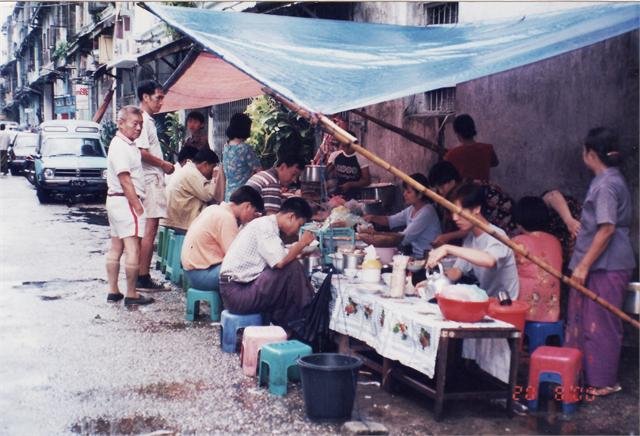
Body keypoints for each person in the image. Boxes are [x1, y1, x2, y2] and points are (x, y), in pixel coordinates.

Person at [564, 127, 635, 397]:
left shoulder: (606, 184)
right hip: (597, 263)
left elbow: (607, 228)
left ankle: (603, 381)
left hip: (606, 265)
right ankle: (581, 374)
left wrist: (582, 266)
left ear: (591, 154)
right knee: (584, 320)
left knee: (601, 323)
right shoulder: (608, 179)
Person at [218, 197, 316, 329]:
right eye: (299, 225)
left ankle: (295, 322)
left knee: (290, 271)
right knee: (291, 267)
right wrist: (302, 243)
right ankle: (308, 316)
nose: (298, 231)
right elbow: (280, 262)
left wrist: (297, 252)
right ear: (291, 217)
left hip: (236, 290)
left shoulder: (267, 225)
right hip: (237, 295)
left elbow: (280, 255)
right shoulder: (265, 227)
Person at [427, 182, 519, 300]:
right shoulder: (471, 238)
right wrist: (433, 283)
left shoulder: (497, 236)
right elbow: (457, 271)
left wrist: (447, 248)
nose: (455, 218)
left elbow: (489, 260)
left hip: (506, 307)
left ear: (476, 209)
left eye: (460, 212)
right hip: (486, 302)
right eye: (452, 212)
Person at [104, 106, 154, 306]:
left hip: (116, 201)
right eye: (135, 123)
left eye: (140, 124)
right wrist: (138, 207)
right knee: (133, 248)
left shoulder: (125, 144)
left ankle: (113, 291)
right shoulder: (121, 146)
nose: (139, 128)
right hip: (126, 202)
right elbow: (125, 179)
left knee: (116, 246)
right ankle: (131, 294)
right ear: (121, 123)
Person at [181, 186, 264, 291]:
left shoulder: (215, 208)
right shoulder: (226, 218)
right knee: (245, 274)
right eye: (254, 212)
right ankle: (232, 306)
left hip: (192, 272)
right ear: (247, 206)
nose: (253, 217)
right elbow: (235, 258)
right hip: (203, 276)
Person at [135, 80, 175, 291]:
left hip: (151, 179)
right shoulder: (142, 120)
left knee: (149, 229)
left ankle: (142, 275)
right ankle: (142, 276)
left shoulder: (146, 121)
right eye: (158, 97)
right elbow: (141, 152)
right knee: (149, 230)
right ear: (145, 97)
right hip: (150, 180)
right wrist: (164, 164)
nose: (161, 102)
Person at [427, 161, 517, 247]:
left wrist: (448, 237)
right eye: (437, 188)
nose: (440, 191)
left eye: (442, 186)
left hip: (509, 233)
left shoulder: (470, 192)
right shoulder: (461, 191)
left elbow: (474, 223)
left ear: (452, 181)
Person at [360, 173, 441, 259]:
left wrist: (375, 236)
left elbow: (403, 238)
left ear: (420, 194)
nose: (404, 194)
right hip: (415, 256)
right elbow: (390, 220)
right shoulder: (411, 209)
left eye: (408, 192)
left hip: (427, 258)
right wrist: (372, 217)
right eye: (404, 191)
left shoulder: (427, 212)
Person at [512, 196, 562, 322]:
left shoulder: (518, 242)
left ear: (519, 220)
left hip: (527, 310)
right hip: (552, 311)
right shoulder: (555, 241)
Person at [165, 149, 221, 232]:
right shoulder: (191, 172)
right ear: (205, 164)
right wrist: (215, 176)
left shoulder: (189, 170)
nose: (212, 172)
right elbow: (208, 195)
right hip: (179, 224)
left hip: (176, 220)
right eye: (212, 168)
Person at [444, 114, 499, 182]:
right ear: (473, 129)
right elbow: (495, 163)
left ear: (458, 134)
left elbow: (447, 175)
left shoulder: (452, 155)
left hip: (463, 192)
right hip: (484, 191)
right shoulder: (488, 148)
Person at [222, 113, 262, 201]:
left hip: (228, 194)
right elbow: (259, 171)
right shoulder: (245, 149)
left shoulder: (226, 147)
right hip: (243, 195)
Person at [326, 131, 371, 199]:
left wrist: (350, 184)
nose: (345, 149)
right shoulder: (335, 155)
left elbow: (367, 181)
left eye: (348, 146)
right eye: (343, 146)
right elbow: (326, 173)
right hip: (338, 193)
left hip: (356, 195)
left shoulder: (361, 158)